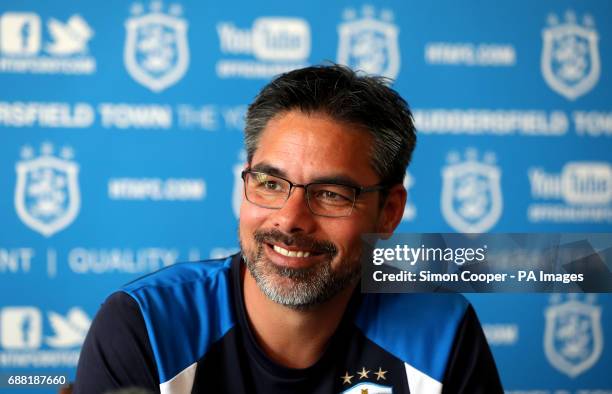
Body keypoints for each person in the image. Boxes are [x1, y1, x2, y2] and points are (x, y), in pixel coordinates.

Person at [74, 64, 503, 393]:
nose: (290, 219)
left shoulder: (441, 332)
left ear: (388, 213)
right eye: (271, 183)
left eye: (332, 194)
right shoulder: (146, 323)